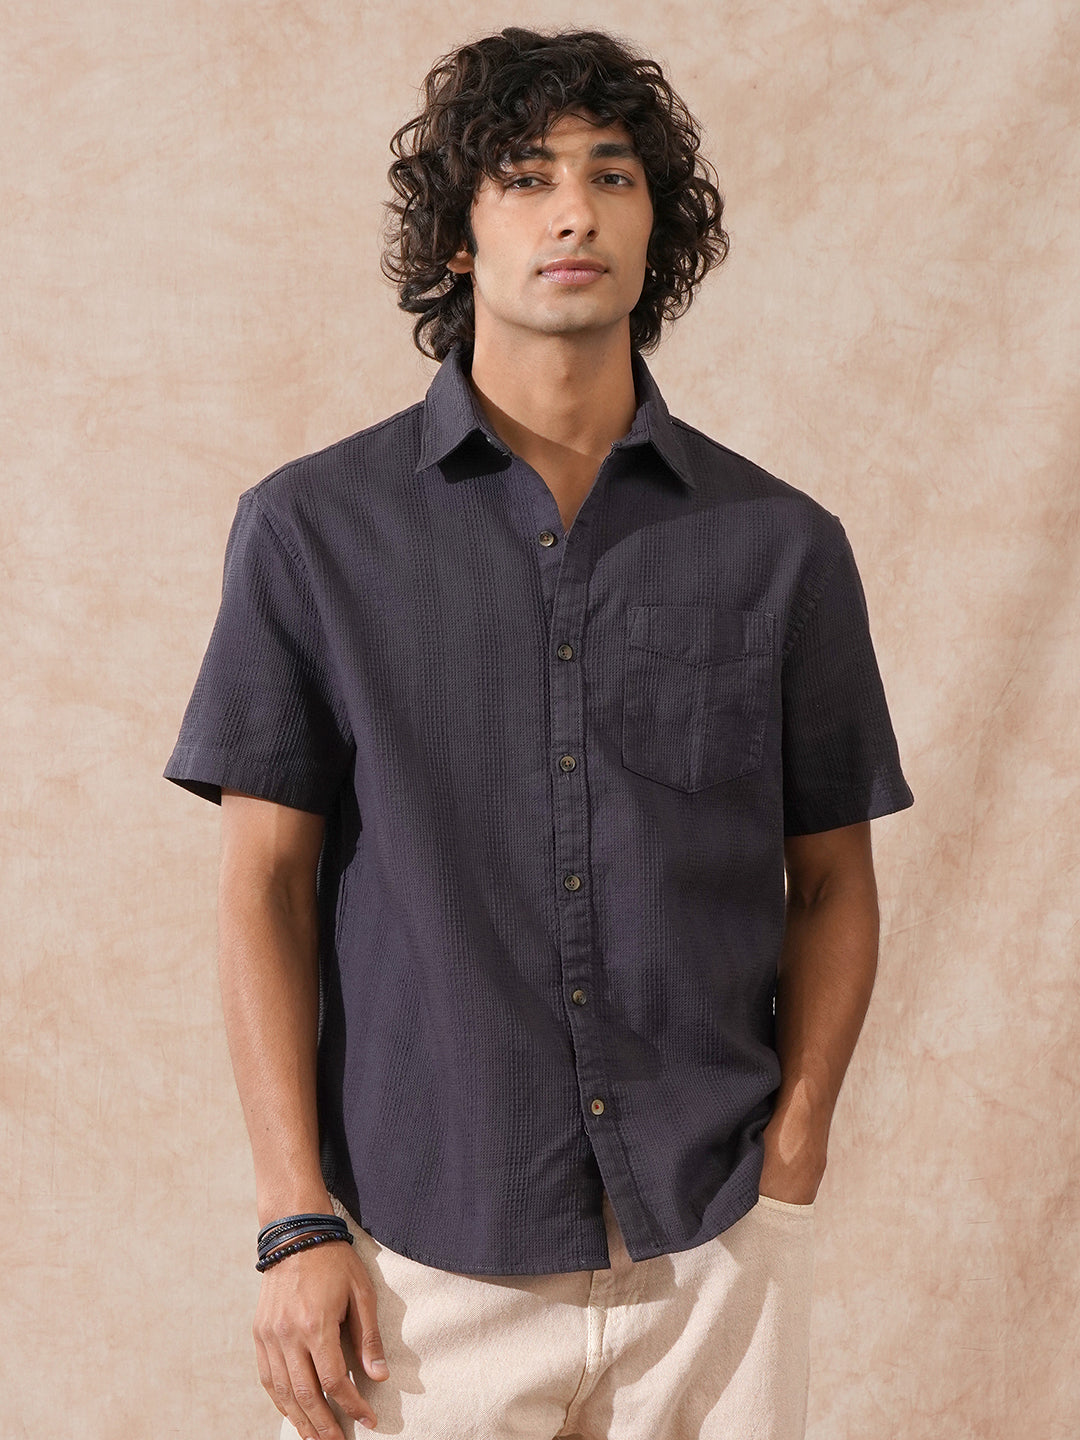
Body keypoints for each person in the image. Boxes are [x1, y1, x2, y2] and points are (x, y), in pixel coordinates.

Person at [165, 25, 914, 1440]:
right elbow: (264, 885)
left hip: (714, 1249)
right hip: (415, 1255)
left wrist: (795, 1157)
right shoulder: (313, 534)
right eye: (524, 177)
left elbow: (832, 880)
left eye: (612, 175)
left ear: (656, 228)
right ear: (458, 238)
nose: (574, 211)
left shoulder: (782, 547)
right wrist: (293, 1217)